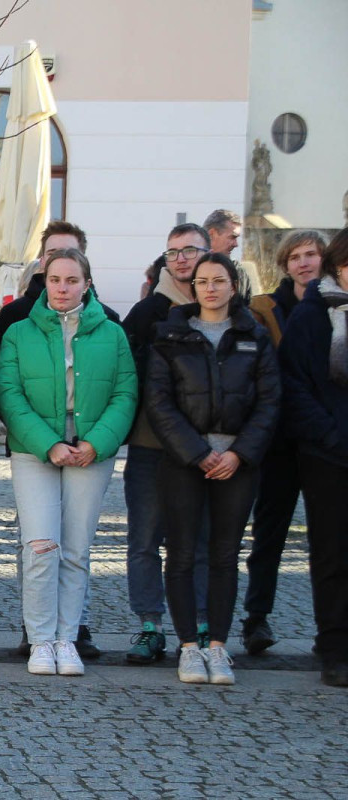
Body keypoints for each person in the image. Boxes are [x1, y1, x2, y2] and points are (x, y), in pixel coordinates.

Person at [0, 249, 137, 676]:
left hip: (91, 451)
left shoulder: (113, 334)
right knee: (40, 546)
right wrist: (49, 443)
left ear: (87, 284)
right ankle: (40, 639)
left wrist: (97, 442)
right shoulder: (19, 332)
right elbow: (9, 394)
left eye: (71, 280)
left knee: (75, 551)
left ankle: (66, 637)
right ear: (44, 281)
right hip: (35, 450)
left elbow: (126, 394)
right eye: (55, 279)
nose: (62, 287)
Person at [146, 252, 279, 685]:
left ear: (233, 286)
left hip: (237, 464)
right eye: (202, 281)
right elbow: (159, 401)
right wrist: (197, 452)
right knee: (181, 554)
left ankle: (218, 646)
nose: (210, 288)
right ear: (193, 286)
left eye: (218, 280)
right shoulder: (170, 335)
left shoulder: (254, 337)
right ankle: (188, 646)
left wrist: (239, 454)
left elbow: (269, 402)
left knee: (224, 555)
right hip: (185, 461)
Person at [120, 222, 213, 664]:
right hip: (150, 444)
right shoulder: (148, 312)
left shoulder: (225, 309)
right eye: (173, 251)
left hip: (205, 448)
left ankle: (195, 625)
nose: (181, 258)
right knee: (144, 540)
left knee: (196, 542)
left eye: (190, 250)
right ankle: (149, 625)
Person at [241, 230, 326, 653]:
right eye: (295, 256)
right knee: (269, 532)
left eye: (311, 254)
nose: (304, 262)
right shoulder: (264, 308)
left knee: (327, 539)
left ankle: (329, 626)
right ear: (284, 264)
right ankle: (257, 617)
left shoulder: (334, 307)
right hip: (277, 440)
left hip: (323, 437)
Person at [278, 227, 348, 687]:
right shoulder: (312, 316)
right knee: (334, 555)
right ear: (338, 266)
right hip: (330, 456)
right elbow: (294, 386)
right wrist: (331, 436)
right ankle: (336, 648)